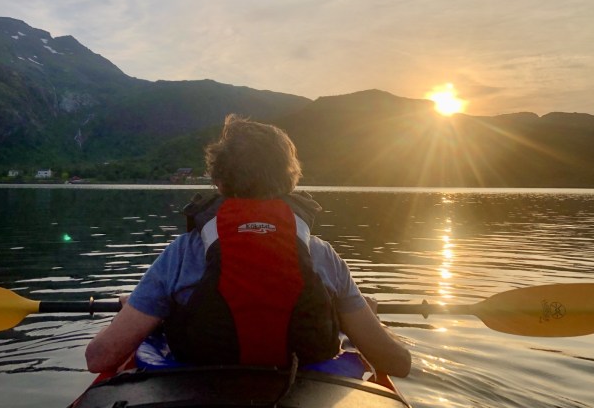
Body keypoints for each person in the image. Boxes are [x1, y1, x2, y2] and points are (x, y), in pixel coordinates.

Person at [85, 114, 411, 378]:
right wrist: (371, 319)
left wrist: (138, 310)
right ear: (290, 180)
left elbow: (99, 358)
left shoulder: (182, 254)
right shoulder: (323, 256)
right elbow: (397, 363)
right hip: (304, 386)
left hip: (197, 389)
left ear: (218, 181)